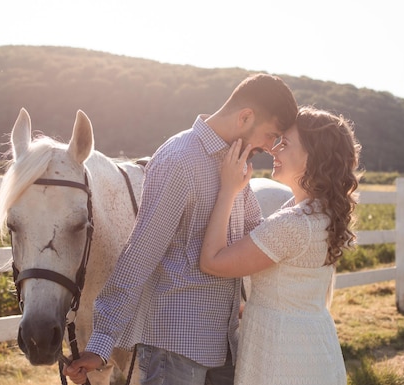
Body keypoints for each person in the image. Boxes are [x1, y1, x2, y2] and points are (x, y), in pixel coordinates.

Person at [64, 73, 298, 385]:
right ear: (245, 117)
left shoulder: (235, 161)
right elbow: (140, 255)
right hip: (175, 350)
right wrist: (101, 343)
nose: (271, 147)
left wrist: (310, 213)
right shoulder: (179, 159)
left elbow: (255, 231)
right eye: (271, 135)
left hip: (224, 342)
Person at [199, 106, 361, 385]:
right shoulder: (321, 213)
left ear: (313, 157)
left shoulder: (293, 224)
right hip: (313, 345)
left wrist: (228, 189)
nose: (274, 150)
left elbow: (211, 261)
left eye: (285, 144)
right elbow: (289, 286)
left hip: (282, 356)